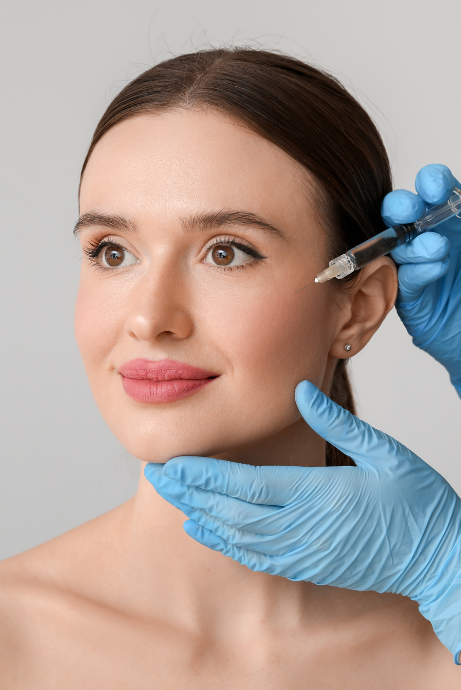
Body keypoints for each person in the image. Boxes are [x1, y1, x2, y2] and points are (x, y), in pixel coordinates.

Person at [0, 48, 459, 687]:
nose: (149, 317)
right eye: (111, 252)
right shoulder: (10, 639)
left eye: (226, 253)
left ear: (356, 307)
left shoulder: (443, 641)